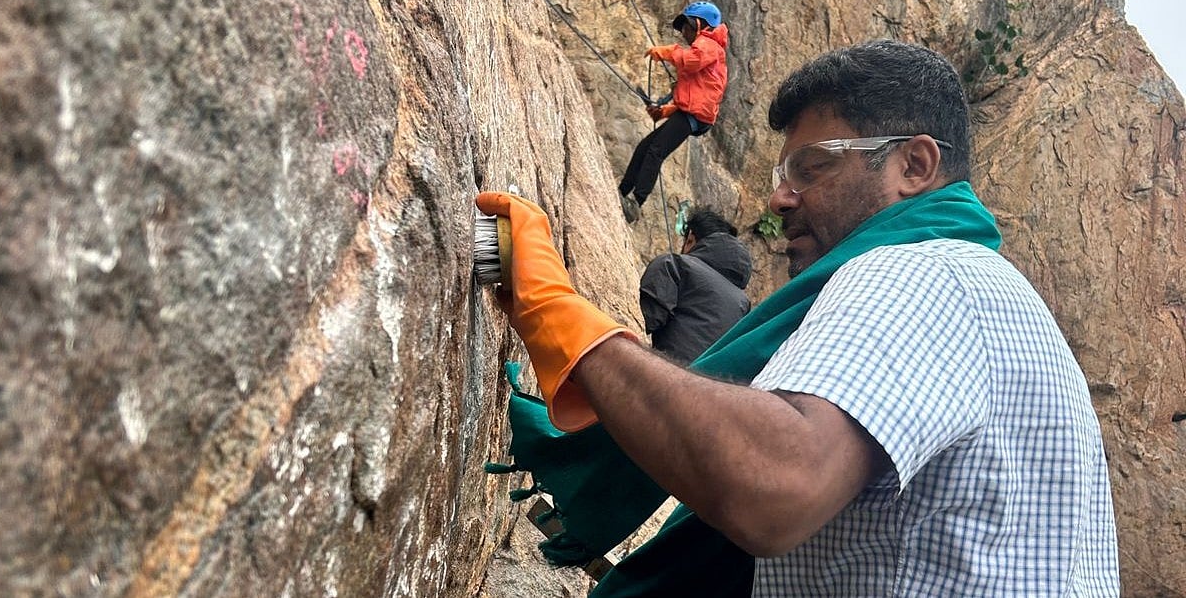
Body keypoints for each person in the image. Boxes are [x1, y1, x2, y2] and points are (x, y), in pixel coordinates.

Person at [476, 39, 1119, 595]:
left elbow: (774, 486)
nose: (780, 196)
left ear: (914, 166)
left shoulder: (921, 270)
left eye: (813, 166)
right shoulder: (987, 291)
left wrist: (562, 319)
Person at [618, 1, 730, 223]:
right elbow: (694, 94)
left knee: (655, 151)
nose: (684, 33)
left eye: (687, 27)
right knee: (645, 147)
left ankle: (635, 203)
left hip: (694, 117)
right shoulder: (706, 48)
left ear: (700, 25)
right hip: (689, 114)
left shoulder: (709, 46)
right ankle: (622, 192)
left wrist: (667, 52)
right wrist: (667, 110)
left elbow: (691, 61)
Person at [640, 207, 751, 364]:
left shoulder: (674, 264)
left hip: (666, 376)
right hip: (712, 385)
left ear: (691, 238)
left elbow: (645, 318)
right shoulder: (743, 303)